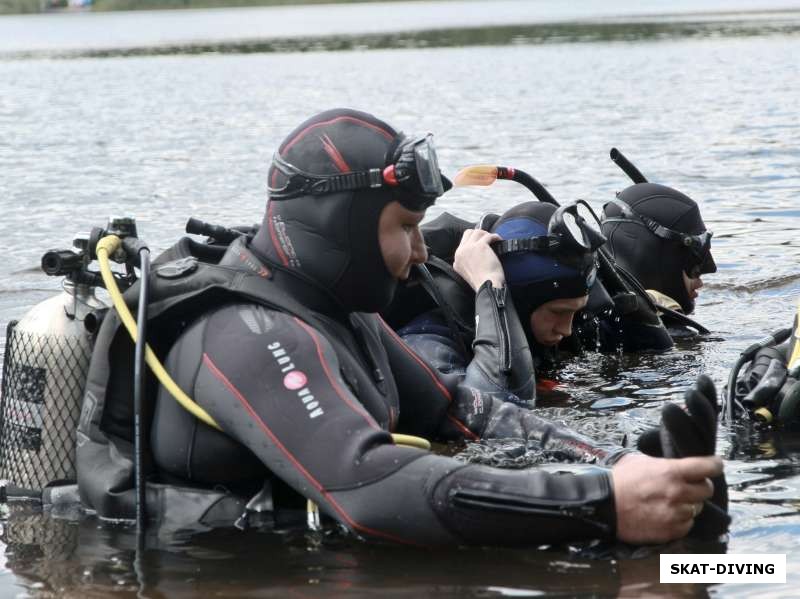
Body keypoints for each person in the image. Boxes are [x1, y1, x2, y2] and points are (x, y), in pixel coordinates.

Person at [77, 108, 725, 546]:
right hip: (209, 568)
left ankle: (744, 567)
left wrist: (624, 464)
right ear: (341, 228)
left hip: (313, 558)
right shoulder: (244, 330)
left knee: (698, 567)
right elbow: (371, 483)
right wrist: (602, 502)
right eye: (405, 228)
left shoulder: (339, 315)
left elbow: (468, 412)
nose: (422, 254)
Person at [599, 181, 717, 347]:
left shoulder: (597, 316)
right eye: (693, 264)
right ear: (652, 259)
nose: (701, 281)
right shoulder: (653, 336)